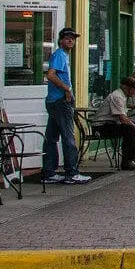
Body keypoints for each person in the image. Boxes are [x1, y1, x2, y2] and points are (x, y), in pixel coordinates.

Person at [40, 27, 90, 185]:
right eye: (67, 37)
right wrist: (67, 89)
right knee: (68, 137)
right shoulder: (60, 55)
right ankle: (71, 172)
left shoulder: (62, 56)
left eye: (73, 38)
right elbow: (51, 75)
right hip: (60, 102)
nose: (71, 40)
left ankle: (48, 172)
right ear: (61, 40)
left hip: (54, 101)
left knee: (51, 137)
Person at [95, 76, 135, 170]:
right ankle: (127, 161)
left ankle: (133, 157)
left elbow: (125, 117)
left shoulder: (123, 96)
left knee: (134, 127)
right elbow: (122, 118)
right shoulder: (117, 96)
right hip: (101, 126)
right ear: (125, 87)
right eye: (133, 88)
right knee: (129, 129)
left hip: (112, 124)